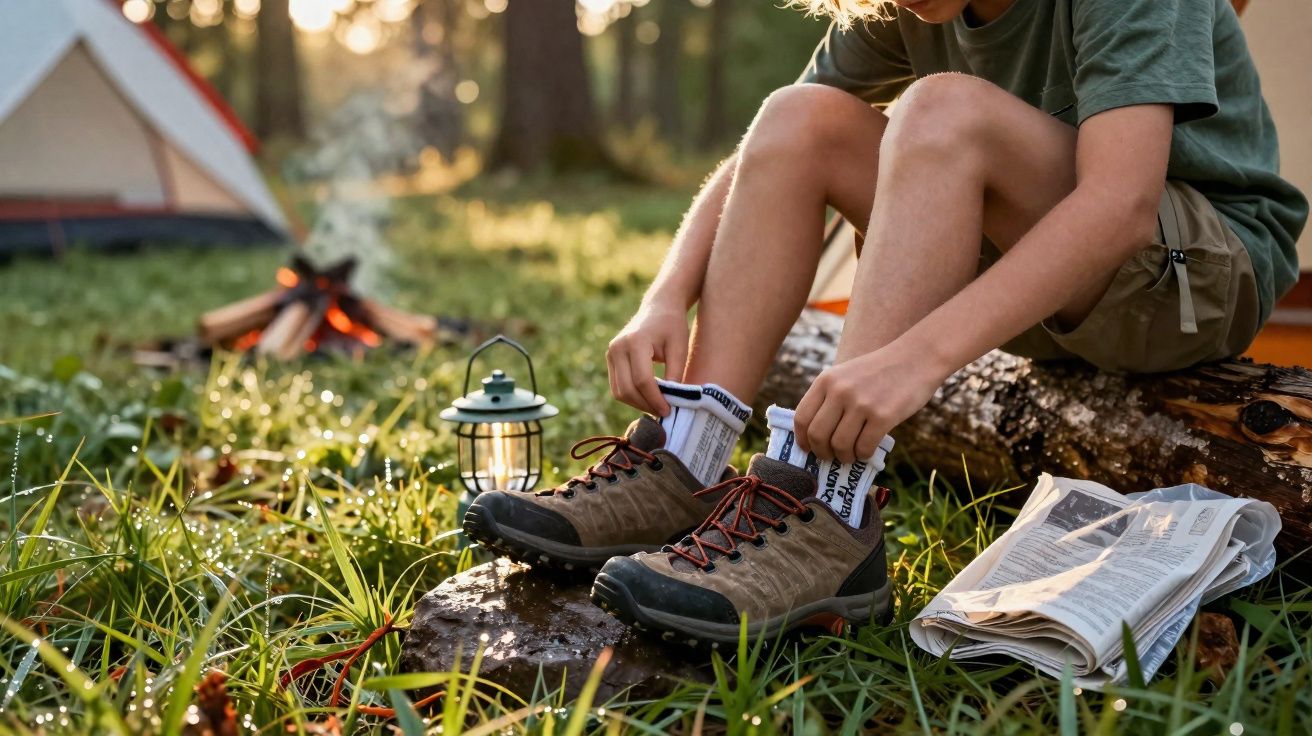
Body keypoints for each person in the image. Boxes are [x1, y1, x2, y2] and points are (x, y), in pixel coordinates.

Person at [465, 0, 1308, 646]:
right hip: (1040, 283)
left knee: (942, 108)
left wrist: (917, 358)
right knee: (803, 114)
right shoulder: (908, 5)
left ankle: (830, 503)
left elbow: (1122, 205)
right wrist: (665, 293)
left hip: (1192, 275)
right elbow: (774, 142)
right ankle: (690, 455)